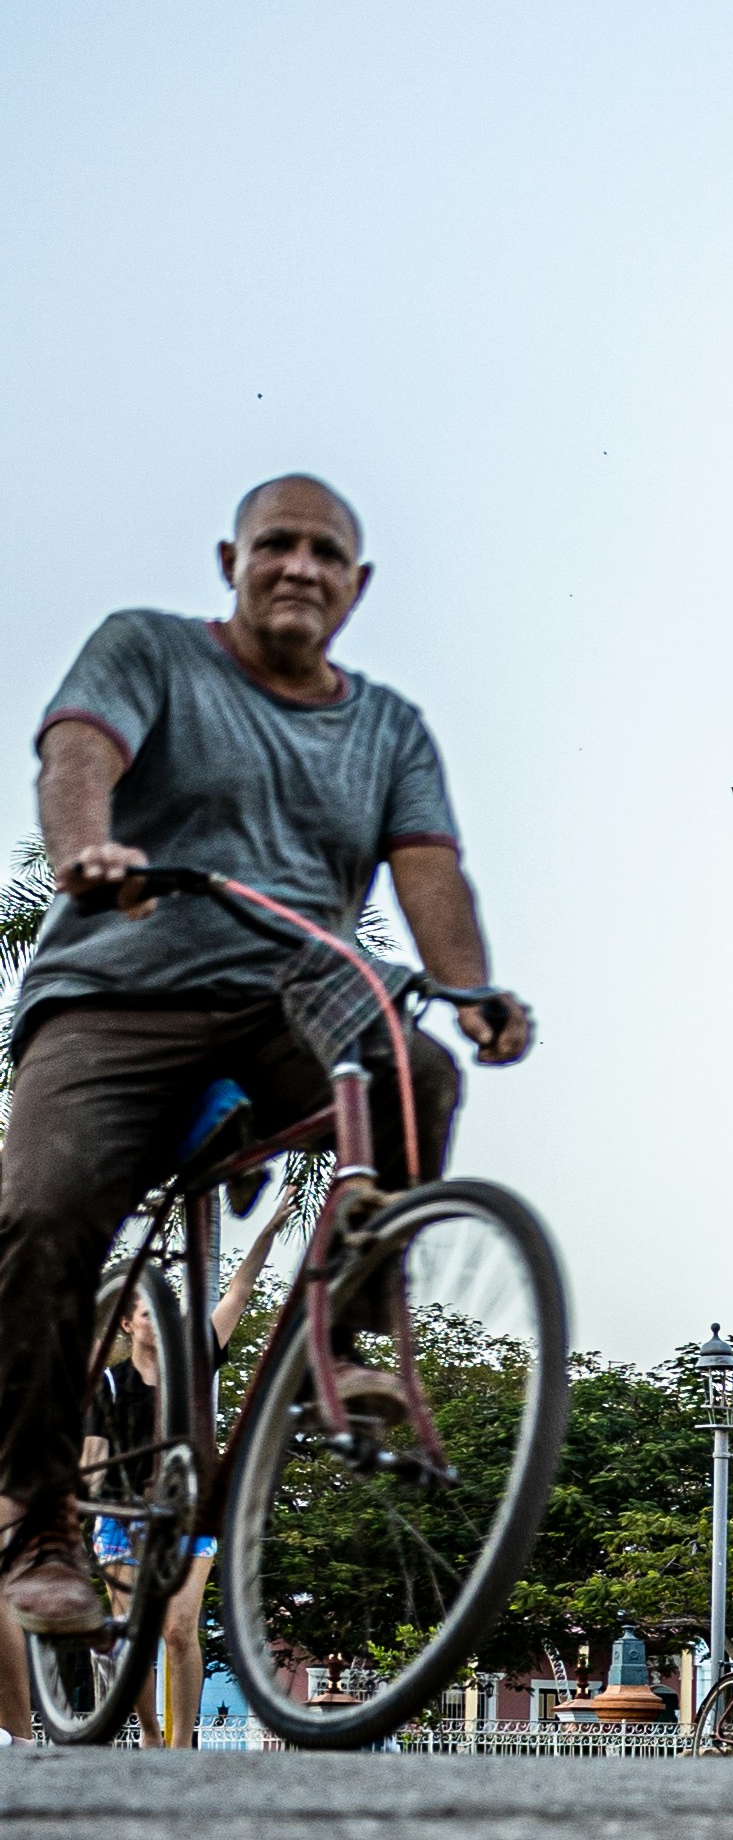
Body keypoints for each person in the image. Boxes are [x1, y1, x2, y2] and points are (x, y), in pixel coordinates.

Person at [3, 477, 536, 1639]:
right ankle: (37, 1522)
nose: (300, 566)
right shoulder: (150, 652)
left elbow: (429, 872)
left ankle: (331, 1350)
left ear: (359, 584)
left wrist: (471, 989)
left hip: (292, 994)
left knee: (420, 1070)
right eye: (276, 546)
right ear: (230, 561)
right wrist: (88, 848)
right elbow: (78, 751)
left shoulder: (387, 727)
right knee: (44, 1212)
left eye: (326, 552)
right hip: (118, 987)